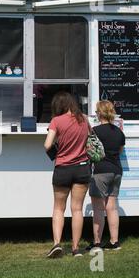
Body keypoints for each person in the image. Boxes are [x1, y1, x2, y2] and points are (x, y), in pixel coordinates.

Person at [44, 91, 91, 258]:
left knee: (58, 208)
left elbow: (47, 145)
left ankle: (57, 244)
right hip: (82, 168)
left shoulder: (57, 121)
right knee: (77, 209)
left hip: (63, 168)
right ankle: (76, 248)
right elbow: (90, 140)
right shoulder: (84, 119)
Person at [87, 100, 125, 252]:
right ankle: (114, 242)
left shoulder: (95, 131)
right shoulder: (119, 132)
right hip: (116, 170)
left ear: (99, 113)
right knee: (112, 207)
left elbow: (89, 151)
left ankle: (97, 242)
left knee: (98, 208)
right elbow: (120, 150)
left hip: (101, 171)